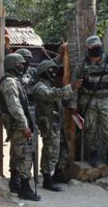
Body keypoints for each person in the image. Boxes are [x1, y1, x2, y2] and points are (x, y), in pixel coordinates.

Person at [70, 35, 108, 168]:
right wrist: (73, 105)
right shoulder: (82, 65)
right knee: (90, 129)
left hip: (105, 99)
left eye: (97, 47)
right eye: (93, 48)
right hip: (88, 100)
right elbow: (75, 85)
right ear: (88, 49)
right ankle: (93, 154)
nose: (96, 49)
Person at [33, 60, 82, 191]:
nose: (53, 73)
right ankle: (47, 179)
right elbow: (50, 96)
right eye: (50, 70)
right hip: (48, 124)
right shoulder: (39, 87)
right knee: (50, 151)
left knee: (62, 148)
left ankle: (58, 174)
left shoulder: (49, 86)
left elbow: (59, 98)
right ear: (43, 72)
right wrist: (70, 87)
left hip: (56, 123)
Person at [0, 53, 40, 201]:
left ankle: (15, 183)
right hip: (18, 125)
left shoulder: (14, 81)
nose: (23, 67)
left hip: (18, 124)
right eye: (20, 65)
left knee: (17, 154)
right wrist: (24, 126)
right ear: (12, 66)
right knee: (24, 155)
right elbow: (14, 107)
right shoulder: (9, 82)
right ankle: (24, 188)